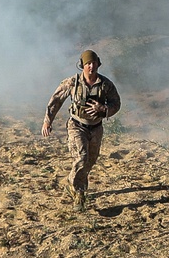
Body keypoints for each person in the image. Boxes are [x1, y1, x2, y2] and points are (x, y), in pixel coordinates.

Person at [42, 50, 121, 209]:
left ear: (98, 63)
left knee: (91, 161)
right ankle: (78, 192)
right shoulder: (72, 83)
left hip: (96, 128)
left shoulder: (106, 85)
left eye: (94, 63)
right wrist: (47, 122)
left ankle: (74, 183)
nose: (91, 67)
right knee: (82, 158)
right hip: (77, 126)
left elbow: (116, 104)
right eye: (88, 64)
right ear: (82, 65)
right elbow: (55, 101)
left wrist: (104, 109)